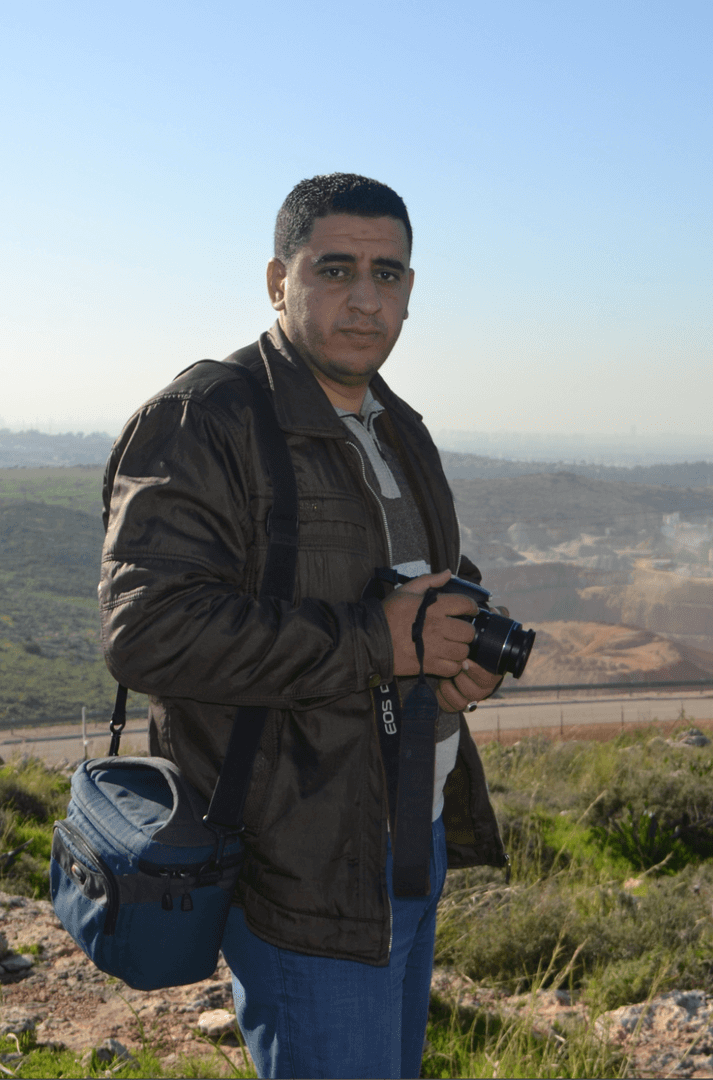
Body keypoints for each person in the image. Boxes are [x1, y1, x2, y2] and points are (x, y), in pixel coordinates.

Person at [98, 173, 507, 1079]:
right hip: (301, 856)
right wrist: (384, 641)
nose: (367, 299)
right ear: (277, 278)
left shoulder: (397, 425)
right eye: (336, 269)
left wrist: (453, 658)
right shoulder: (206, 418)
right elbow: (149, 630)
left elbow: (411, 592)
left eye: (390, 274)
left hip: (413, 827)